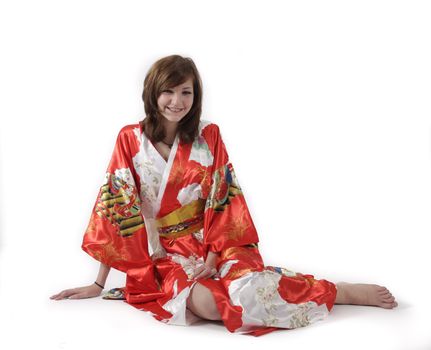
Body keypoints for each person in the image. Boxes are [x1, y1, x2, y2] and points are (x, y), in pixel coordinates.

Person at [50, 54, 397, 336]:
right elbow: (117, 211)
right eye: (168, 92)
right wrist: (98, 283)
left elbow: (223, 198)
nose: (177, 101)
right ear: (152, 93)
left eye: (186, 92)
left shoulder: (208, 136)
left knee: (247, 287)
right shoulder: (129, 139)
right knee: (211, 307)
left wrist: (214, 260)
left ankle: (337, 290)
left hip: (217, 241)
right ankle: (256, 290)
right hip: (166, 251)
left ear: (195, 96)